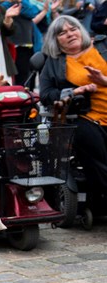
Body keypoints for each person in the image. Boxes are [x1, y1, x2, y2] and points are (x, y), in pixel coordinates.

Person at [39, 15, 107, 199]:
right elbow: (45, 94)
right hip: (86, 117)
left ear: (81, 30)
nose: (69, 34)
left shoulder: (103, 46)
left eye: (73, 29)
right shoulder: (54, 63)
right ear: (55, 40)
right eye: (62, 33)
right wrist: (74, 92)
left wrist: (103, 81)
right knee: (90, 144)